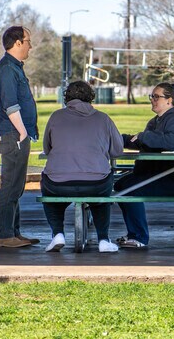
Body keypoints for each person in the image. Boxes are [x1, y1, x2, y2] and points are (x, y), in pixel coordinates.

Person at [41, 81, 124, 253]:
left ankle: (57, 234)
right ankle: (103, 239)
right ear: (91, 97)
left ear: (67, 97)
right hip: (96, 182)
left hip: (58, 183)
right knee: (100, 201)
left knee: (51, 198)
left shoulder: (56, 117)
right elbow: (117, 150)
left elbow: (47, 149)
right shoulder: (103, 118)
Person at [114, 82, 174, 249]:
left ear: (169, 100)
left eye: (157, 96)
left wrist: (143, 136)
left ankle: (139, 237)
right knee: (121, 184)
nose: (153, 100)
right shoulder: (157, 120)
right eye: (152, 96)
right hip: (157, 173)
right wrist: (117, 139)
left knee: (131, 190)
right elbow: (146, 142)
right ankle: (132, 233)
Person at [0, 26, 39, 248]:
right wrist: (22, 132)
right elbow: (11, 105)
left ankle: (13, 233)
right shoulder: (8, 69)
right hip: (13, 135)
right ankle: (3, 236)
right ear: (18, 42)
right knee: (10, 185)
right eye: (28, 41)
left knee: (17, 185)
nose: (30, 45)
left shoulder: (15, 68)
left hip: (16, 134)